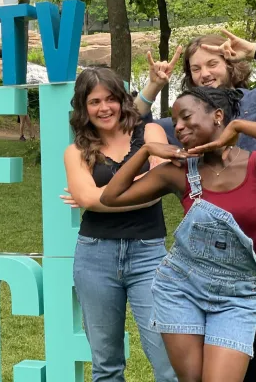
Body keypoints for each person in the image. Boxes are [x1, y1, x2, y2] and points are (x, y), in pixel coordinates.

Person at [101, 86, 256, 381]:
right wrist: (145, 150)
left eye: (185, 117)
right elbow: (112, 197)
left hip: (237, 296)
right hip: (181, 289)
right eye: (174, 121)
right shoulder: (178, 172)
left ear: (218, 116)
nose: (178, 127)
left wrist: (240, 126)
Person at [136, 30, 256, 381]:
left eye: (212, 63)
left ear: (231, 62)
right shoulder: (190, 116)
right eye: (196, 67)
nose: (205, 72)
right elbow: (137, 121)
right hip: (211, 272)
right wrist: (153, 87)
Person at [62, 67, 177, 381]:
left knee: (168, 362)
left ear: (122, 100)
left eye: (111, 98)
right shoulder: (76, 152)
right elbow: (88, 200)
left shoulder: (150, 133)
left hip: (149, 254)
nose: (104, 108)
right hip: (94, 257)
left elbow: (160, 186)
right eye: (94, 101)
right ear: (83, 108)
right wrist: (140, 185)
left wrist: (99, 195)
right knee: (106, 365)